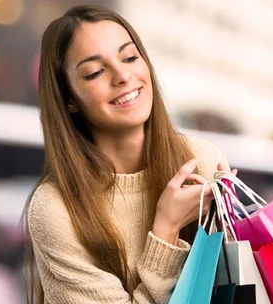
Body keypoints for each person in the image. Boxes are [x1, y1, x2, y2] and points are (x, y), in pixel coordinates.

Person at [21, 5, 236, 304]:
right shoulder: (56, 208)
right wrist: (167, 228)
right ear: (69, 99)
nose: (123, 75)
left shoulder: (201, 160)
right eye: (95, 71)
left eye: (130, 57)